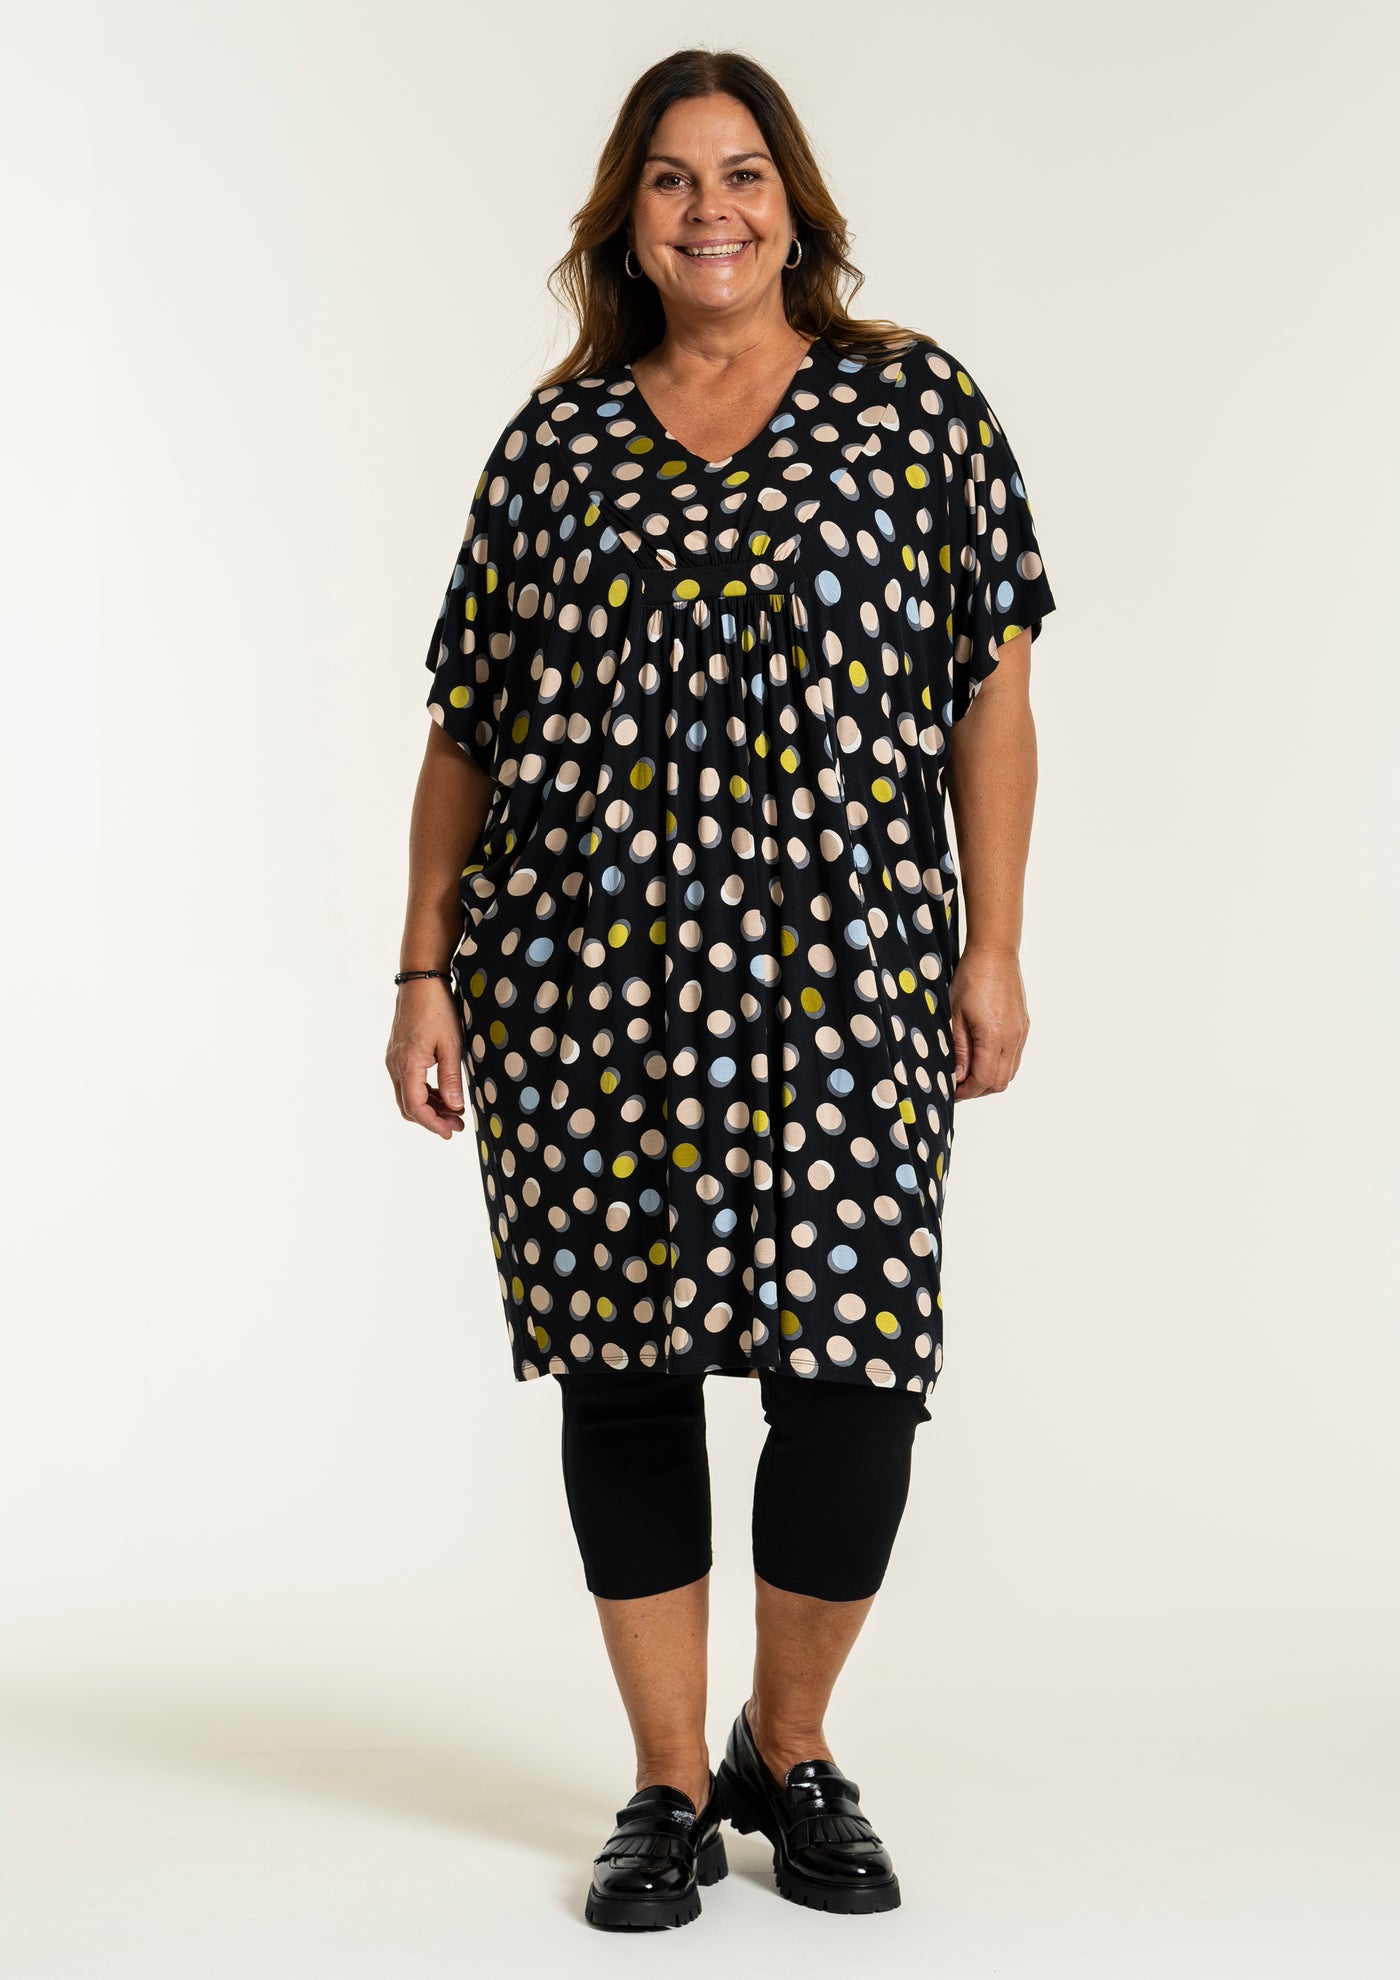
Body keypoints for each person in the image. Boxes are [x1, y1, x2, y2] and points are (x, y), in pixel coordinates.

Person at [387, 47, 1056, 1932]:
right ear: (628, 219)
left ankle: (793, 1741)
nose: (710, 211)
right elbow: (465, 729)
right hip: (583, 976)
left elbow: (994, 696)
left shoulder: (912, 408)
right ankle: (670, 1783)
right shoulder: (558, 447)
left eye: (742, 174)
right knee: (628, 1375)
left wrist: (992, 943)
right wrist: (424, 965)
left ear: (793, 202)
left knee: (856, 1376)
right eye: (673, 180)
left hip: (848, 970)